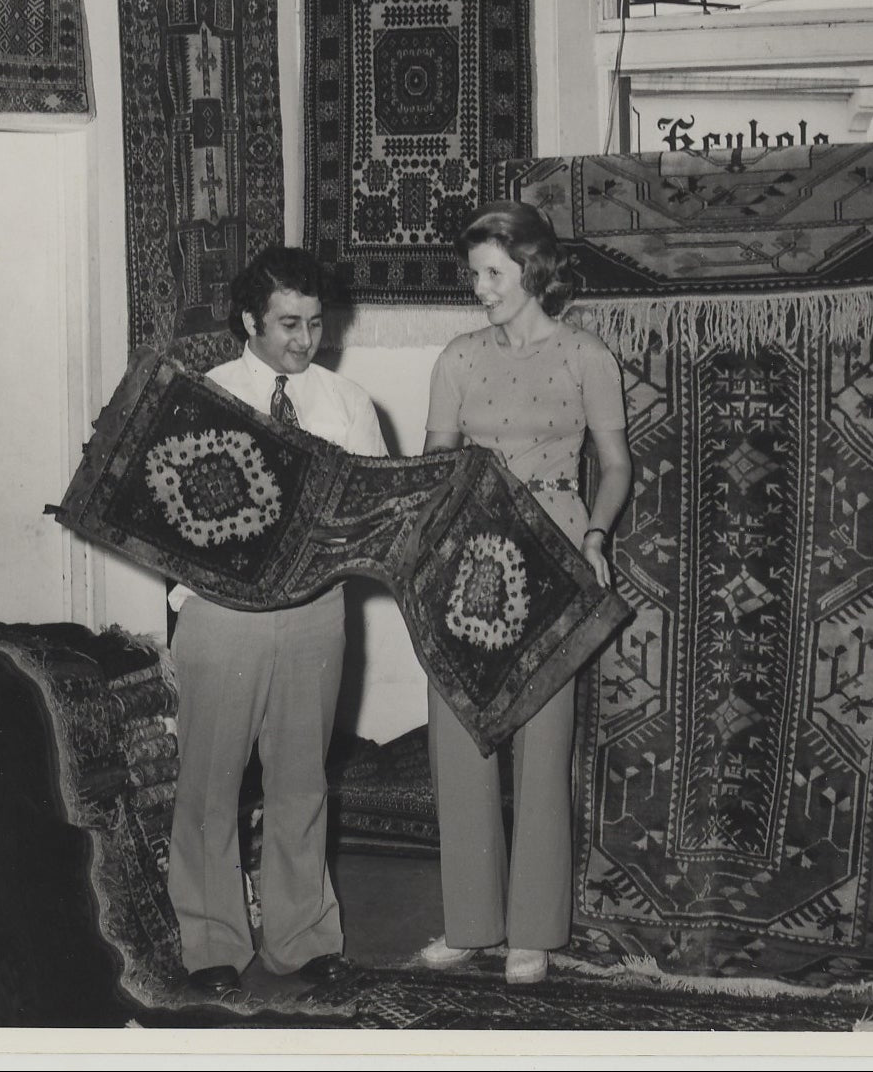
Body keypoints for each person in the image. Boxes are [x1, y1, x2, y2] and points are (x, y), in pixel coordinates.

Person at [418, 201, 633, 985]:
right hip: (468, 562)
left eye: (493, 274)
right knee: (458, 736)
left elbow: (613, 467)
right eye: (473, 273)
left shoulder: (586, 357)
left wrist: (595, 536)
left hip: (555, 559)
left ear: (534, 272)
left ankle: (533, 932)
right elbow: (434, 467)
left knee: (544, 748)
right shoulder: (457, 359)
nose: (478, 289)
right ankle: (469, 924)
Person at [166, 246, 387, 997]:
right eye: (288, 323)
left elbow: (372, 513)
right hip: (220, 617)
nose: (304, 339)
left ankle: (302, 939)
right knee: (210, 786)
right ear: (248, 322)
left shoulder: (346, 402)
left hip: (313, 614)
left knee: (300, 781)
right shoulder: (202, 396)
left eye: (315, 323)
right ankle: (212, 947)